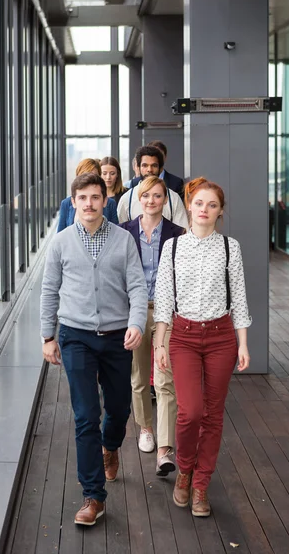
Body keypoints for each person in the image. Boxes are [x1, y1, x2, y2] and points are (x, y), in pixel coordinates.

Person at [40, 173, 148, 526]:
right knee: (86, 416)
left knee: (117, 409)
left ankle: (111, 444)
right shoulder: (61, 243)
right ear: (74, 202)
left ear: (105, 201)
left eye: (95, 197)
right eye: (82, 198)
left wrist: (136, 323)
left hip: (118, 337)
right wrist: (48, 336)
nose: (89, 203)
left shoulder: (123, 240)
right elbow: (49, 291)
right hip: (76, 337)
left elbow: (137, 285)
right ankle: (93, 497)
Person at [153, 177, 251, 517]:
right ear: (189, 207)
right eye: (199, 204)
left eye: (211, 205)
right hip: (182, 336)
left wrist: (243, 343)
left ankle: (200, 486)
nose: (204, 210)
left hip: (222, 336)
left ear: (220, 211)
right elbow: (164, 297)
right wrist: (160, 343)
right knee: (190, 411)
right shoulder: (173, 247)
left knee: (212, 415)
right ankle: (184, 469)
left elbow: (238, 296)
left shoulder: (230, 247)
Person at [119, 176, 185, 476]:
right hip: (135, 311)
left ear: (165, 200)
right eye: (146, 196)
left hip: (165, 312)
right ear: (139, 199)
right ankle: (146, 428)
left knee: (165, 378)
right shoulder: (124, 233)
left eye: (157, 196)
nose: (151, 201)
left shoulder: (177, 233)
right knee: (139, 375)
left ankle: (165, 448)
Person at [117, 146, 189, 230]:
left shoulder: (174, 198)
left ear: (161, 169)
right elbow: (121, 234)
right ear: (138, 168)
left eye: (154, 166)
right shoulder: (126, 199)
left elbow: (183, 232)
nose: (149, 169)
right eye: (145, 165)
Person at [58, 158, 118, 231]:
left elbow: (116, 233)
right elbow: (60, 234)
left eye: (93, 176)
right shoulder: (66, 204)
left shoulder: (110, 204)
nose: (88, 180)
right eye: (84, 176)